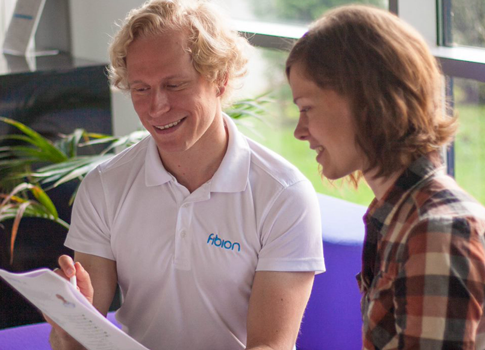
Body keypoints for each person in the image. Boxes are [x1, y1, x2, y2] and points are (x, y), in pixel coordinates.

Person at [47, 0, 325, 349]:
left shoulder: (282, 193)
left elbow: (270, 345)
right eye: (141, 89)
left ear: (221, 81)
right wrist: (67, 324)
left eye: (175, 85)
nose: (156, 107)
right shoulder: (105, 186)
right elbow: (77, 341)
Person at [286, 4, 485, 350]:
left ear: (366, 103)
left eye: (307, 108)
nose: (299, 132)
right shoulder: (396, 214)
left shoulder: (437, 231)